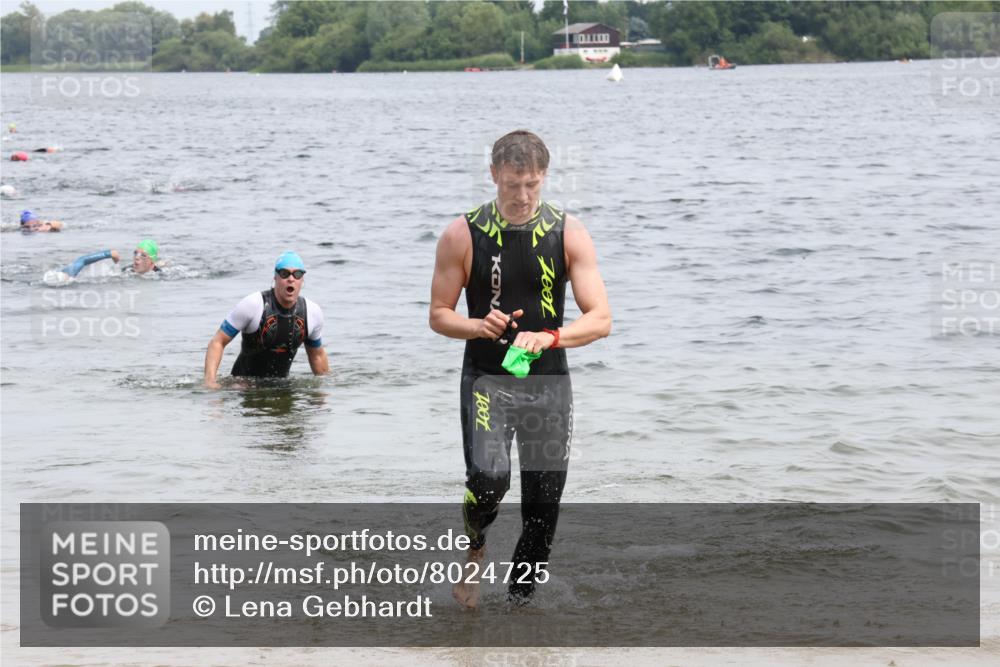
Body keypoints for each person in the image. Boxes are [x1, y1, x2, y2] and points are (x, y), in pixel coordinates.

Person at [429, 130, 612, 608]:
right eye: (513, 184)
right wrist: (475, 325)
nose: (523, 196)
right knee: (489, 481)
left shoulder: (568, 232)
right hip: (488, 380)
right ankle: (476, 549)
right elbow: (438, 315)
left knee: (543, 507)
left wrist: (550, 336)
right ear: (493, 176)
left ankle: (519, 611)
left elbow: (601, 319)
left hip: (549, 383)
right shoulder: (461, 234)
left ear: (544, 177)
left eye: (532, 184)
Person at [203, 251, 329, 388]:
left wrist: (325, 397)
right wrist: (210, 381)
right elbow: (218, 342)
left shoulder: (312, 312)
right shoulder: (253, 304)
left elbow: (317, 355)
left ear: (302, 280)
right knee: (238, 386)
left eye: (297, 274)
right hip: (244, 387)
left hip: (281, 387)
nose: (291, 279)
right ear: (275, 277)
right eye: (284, 274)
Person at [57, 239, 161, 278]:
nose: (136, 258)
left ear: (151, 261)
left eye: (143, 255)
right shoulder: (127, 271)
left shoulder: (160, 276)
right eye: (135, 253)